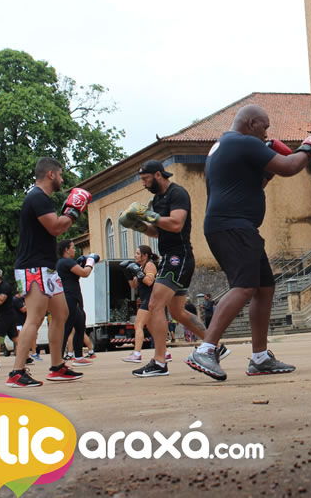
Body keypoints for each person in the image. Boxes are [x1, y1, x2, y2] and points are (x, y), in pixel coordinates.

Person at [186, 104, 311, 381]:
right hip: (233, 226)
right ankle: (206, 349)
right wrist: (310, 146)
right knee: (244, 287)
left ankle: (260, 357)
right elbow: (290, 167)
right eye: (265, 127)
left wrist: (267, 170)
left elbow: (251, 185)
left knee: (264, 288)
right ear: (251, 124)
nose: (267, 133)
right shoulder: (244, 143)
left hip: (233, 226)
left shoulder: (224, 146)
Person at [119, 159, 209, 378]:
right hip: (170, 256)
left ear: (158, 175)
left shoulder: (177, 193)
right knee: (177, 312)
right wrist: (138, 225)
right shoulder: (158, 200)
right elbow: (157, 231)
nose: (143, 183)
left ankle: (160, 362)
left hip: (179, 256)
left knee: (155, 304)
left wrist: (148, 215)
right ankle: (213, 344)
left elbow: (176, 224)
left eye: (145, 179)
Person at [9, 157, 90, 387]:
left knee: (62, 313)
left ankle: (56, 367)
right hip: (33, 267)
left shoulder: (41, 199)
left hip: (46, 267)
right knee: (34, 318)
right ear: (51, 174)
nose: (62, 180)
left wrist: (69, 211)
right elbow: (56, 227)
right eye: (61, 175)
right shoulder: (37, 197)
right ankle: (16, 372)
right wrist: (74, 211)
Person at [56, 240, 98, 367]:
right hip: (70, 297)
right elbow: (85, 273)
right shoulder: (66, 261)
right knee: (67, 327)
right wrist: (90, 261)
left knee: (80, 325)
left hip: (73, 295)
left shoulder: (64, 263)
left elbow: (76, 276)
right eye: (73, 248)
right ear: (66, 250)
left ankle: (78, 357)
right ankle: (58, 360)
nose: (74, 250)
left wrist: (80, 263)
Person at [121, 245, 159, 363]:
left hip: (150, 299)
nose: (135, 255)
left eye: (138, 253)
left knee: (138, 325)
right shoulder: (141, 267)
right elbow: (134, 285)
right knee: (151, 327)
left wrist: (137, 271)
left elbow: (149, 282)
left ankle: (136, 354)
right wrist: (127, 273)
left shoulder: (149, 265)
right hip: (147, 299)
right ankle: (165, 352)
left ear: (145, 255)